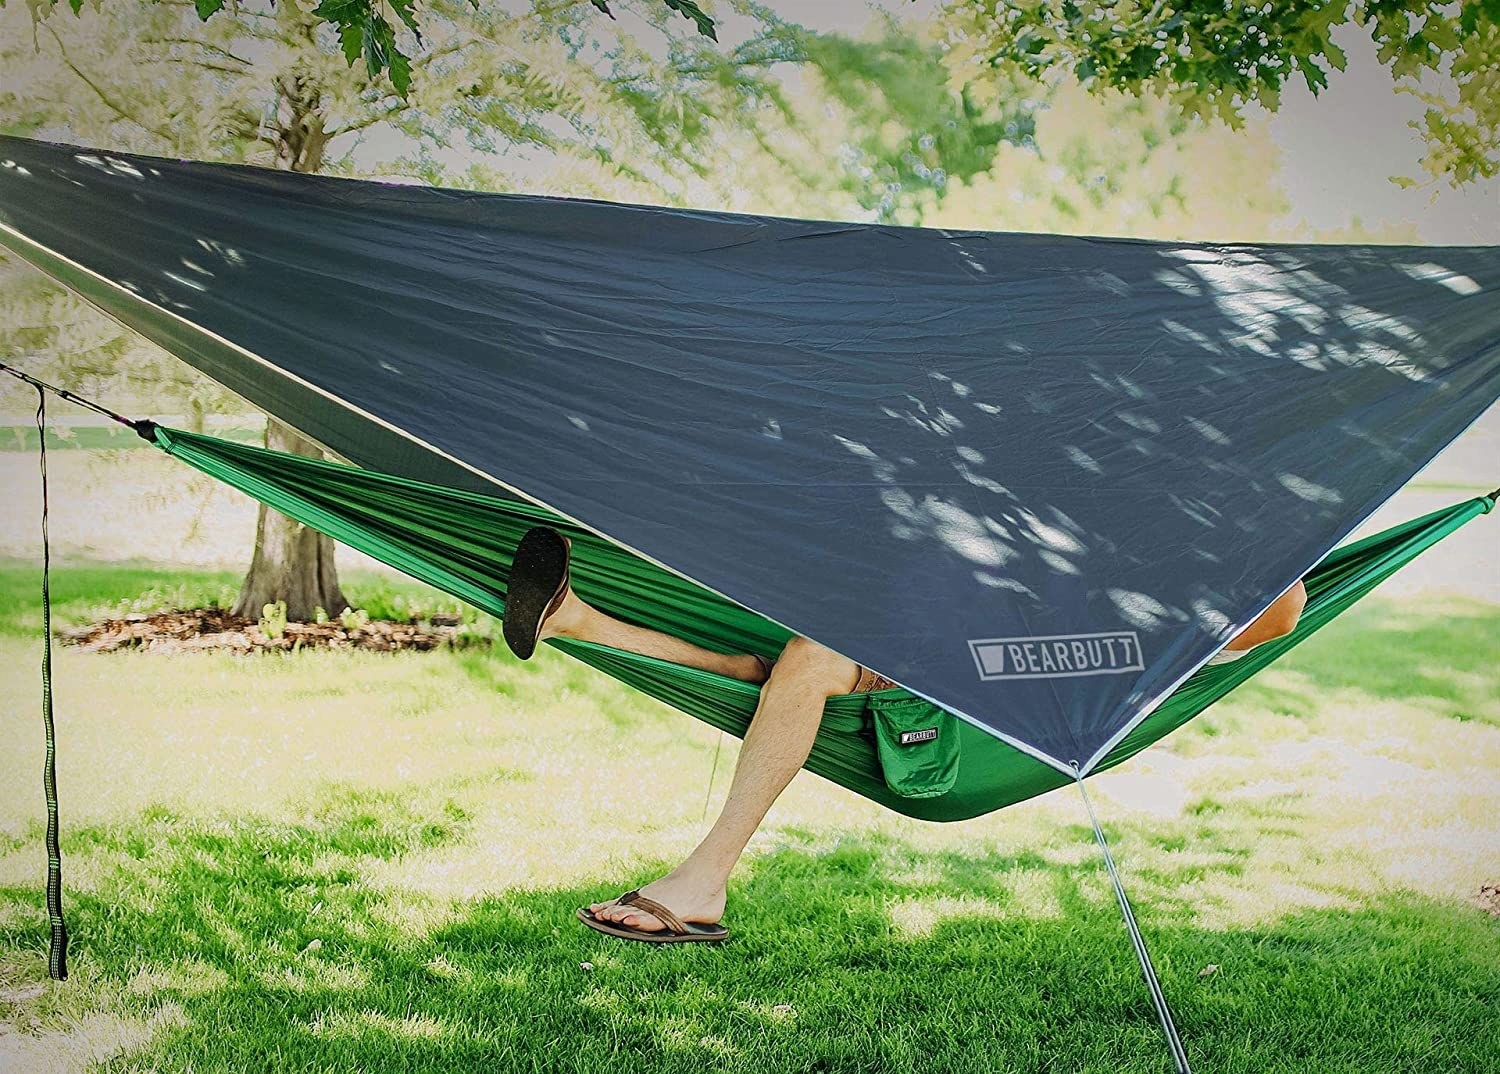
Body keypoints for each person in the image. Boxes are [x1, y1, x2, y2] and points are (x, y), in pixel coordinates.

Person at [500, 525, 1307, 943]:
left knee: (810, 660)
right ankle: (576, 618)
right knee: (784, 666)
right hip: (937, 681)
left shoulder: (1188, 609)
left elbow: (1284, 606)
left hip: (978, 742)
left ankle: (701, 885)